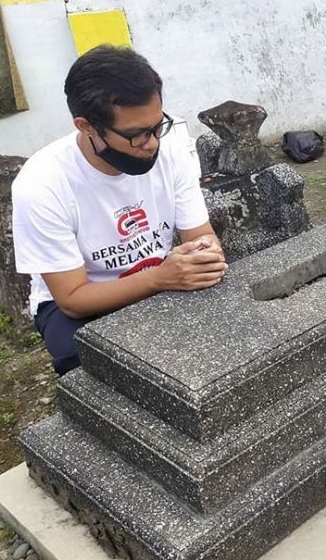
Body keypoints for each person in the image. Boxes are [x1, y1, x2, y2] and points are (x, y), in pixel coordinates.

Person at [12, 45, 226, 376]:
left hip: (162, 272)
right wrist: (160, 278)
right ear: (86, 126)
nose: (152, 143)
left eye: (157, 127)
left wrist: (203, 255)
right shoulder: (42, 185)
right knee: (86, 361)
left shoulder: (169, 155)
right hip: (83, 300)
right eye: (136, 135)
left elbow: (201, 236)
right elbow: (72, 297)